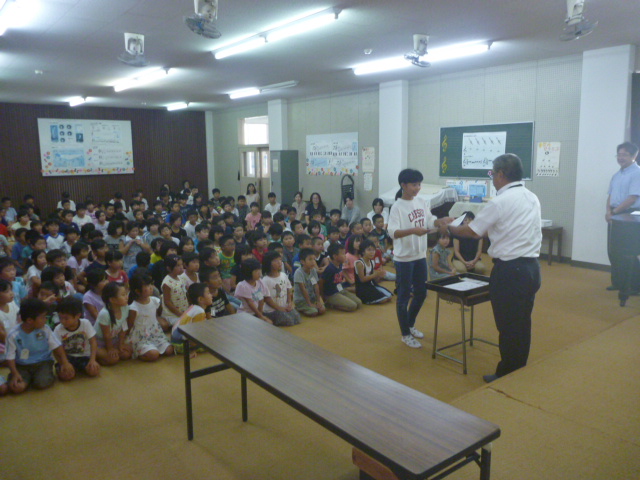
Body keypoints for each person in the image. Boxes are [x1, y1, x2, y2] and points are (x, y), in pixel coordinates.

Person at [446, 154, 542, 382]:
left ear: (500, 174)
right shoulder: (531, 197)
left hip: (510, 271)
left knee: (508, 324)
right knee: (522, 321)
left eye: (492, 173)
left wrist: (450, 228)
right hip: (532, 268)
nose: (492, 178)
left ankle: (507, 372)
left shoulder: (500, 201)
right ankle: (519, 366)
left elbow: (473, 232)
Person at [388, 168, 452, 349]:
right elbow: (392, 232)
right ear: (403, 185)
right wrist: (412, 231)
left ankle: (409, 324)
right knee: (403, 296)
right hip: (404, 258)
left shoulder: (422, 202)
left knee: (421, 293)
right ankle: (405, 334)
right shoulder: (397, 207)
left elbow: (429, 220)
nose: (418, 188)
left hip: (420, 255)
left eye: (419, 184)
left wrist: (440, 221)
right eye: (414, 184)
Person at [5, 298, 75, 393]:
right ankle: (24, 379)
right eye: (43, 317)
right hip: (21, 365)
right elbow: (10, 357)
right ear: (30, 320)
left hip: (43, 362)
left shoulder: (45, 329)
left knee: (42, 383)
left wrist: (65, 362)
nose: (46, 320)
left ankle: (32, 378)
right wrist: (15, 374)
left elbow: (57, 346)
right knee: (17, 388)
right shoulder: (13, 335)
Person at [605, 142, 640, 291]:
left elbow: (632, 198)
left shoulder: (637, 173)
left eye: (624, 155)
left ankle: (633, 286)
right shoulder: (617, 175)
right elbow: (610, 196)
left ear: (634, 156)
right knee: (614, 250)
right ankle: (618, 283)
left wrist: (614, 213)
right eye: (618, 154)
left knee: (628, 252)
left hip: (629, 216)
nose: (620, 158)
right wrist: (608, 211)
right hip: (615, 214)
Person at [128, 274, 174, 361]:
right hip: (141, 337)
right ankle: (138, 353)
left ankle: (153, 348)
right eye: (147, 286)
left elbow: (156, 315)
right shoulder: (134, 307)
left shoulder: (155, 301)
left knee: (169, 350)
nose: (151, 287)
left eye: (150, 284)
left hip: (155, 332)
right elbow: (130, 325)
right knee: (153, 355)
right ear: (138, 291)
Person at [53, 297, 100, 379]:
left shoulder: (85, 323)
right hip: (67, 358)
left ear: (78, 315)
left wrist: (92, 360)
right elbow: (56, 350)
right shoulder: (58, 329)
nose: (62, 321)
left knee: (94, 371)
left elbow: (93, 342)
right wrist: (64, 363)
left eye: (66, 318)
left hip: (84, 356)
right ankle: (70, 369)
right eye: (60, 318)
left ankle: (79, 368)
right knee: (66, 376)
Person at [95, 282, 132, 365]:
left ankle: (105, 355)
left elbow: (123, 328)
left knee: (126, 354)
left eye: (126, 294)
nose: (126, 297)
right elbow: (106, 335)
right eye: (123, 295)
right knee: (113, 359)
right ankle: (96, 356)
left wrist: (120, 344)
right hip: (98, 342)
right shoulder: (105, 314)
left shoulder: (125, 308)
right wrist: (110, 349)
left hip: (113, 340)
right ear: (112, 300)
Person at [319, 243, 362, 312]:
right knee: (352, 306)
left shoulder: (340, 264)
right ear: (335, 256)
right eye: (343, 254)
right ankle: (331, 303)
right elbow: (321, 281)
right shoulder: (330, 268)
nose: (345, 256)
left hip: (340, 290)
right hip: (332, 294)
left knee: (359, 303)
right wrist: (323, 296)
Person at [261, 251, 300, 326]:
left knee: (297, 318)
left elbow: (288, 290)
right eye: (276, 261)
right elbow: (267, 299)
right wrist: (279, 308)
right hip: (271, 310)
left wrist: (289, 303)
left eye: (280, 260)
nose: (279, 262)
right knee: (289, 321)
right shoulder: (266, 280)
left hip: (284, 306)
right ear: (269, 263)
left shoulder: (283, 275)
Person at [354, 239, 393, 304]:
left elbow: (373, 278)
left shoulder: (372, 262)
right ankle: (366, 299)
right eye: (369, 250)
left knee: (389, 297)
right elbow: (362, 279)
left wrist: (379, 274)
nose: (372, 252)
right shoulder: (360, 263)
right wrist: (375, 274)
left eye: (373, 250)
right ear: (363, 252)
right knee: (384, 300)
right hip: (362, 289)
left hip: (371, 285)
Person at [234, 258, 272, 323]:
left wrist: (260, 314)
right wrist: (260, 316)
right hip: (245, 314)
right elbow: (250, 303)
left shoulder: (260, 282)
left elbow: (261, 299)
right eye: (256, 271)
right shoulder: (243, 286)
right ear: (248, 272)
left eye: (260, 270)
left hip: (257, 313)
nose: (259, 273)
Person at [293, 248, 325, 317]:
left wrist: (318, 301)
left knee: (322, 310)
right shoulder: (298, 273)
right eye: (310, 259)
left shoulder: (313, 270)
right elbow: (303, 289)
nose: (313, 262)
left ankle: (310, 306)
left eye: (314, 259)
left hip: (312, 298)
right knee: (314, 312)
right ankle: (299, 307)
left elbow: (316, 286)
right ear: (302, 262)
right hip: (301, 300)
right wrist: (309, 304)